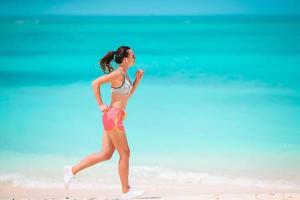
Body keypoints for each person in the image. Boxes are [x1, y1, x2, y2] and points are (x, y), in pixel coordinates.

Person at [64, 46, 145, 199]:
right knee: (125, 153)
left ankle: (71, 170)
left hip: (114, 117)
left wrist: (137, 80)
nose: (135, 58)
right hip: (113, 117)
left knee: (106, 154)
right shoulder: (118, 73)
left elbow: (126, 97)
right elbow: (95, 83)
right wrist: (101, 104)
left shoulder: (125, 74)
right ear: (126, 59)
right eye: (133, 56)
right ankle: (126, 191)